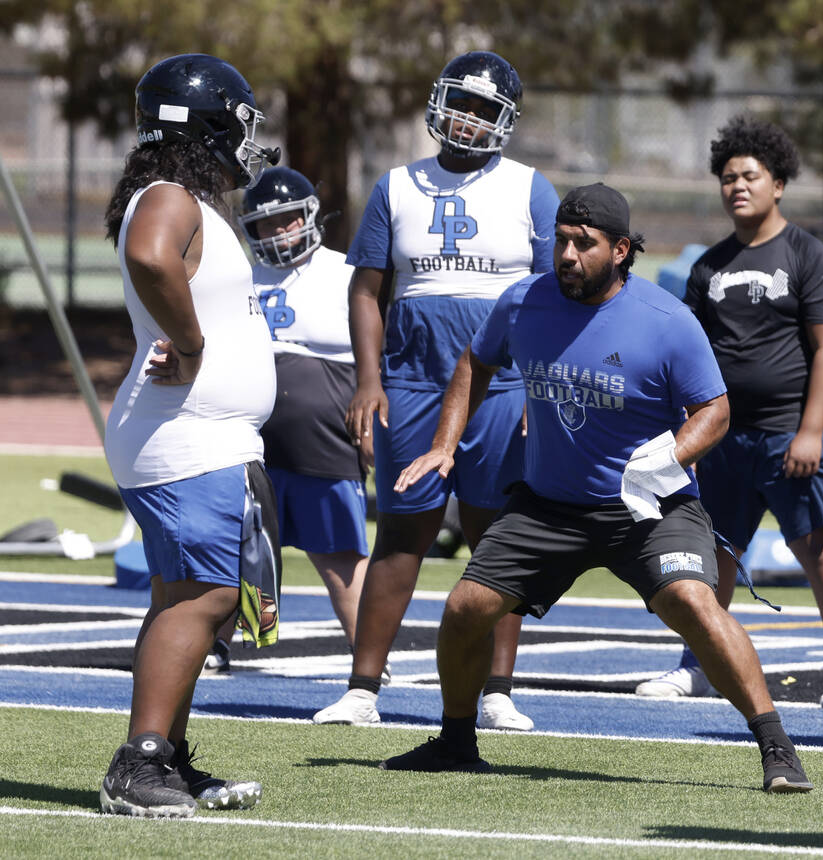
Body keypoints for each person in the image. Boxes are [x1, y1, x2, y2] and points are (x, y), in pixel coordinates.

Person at [380, 183, 814, 794]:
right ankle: (456, 740)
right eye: (560, 240)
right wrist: (443, 444)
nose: (567, 254)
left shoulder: (666, 320)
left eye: (584, 244)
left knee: (693, 600)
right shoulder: (523, 302)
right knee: (463, 610)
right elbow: (475, 363)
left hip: (648, 505)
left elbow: (714, 413)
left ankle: (777, 747)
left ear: (622, 250)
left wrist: (664, 460)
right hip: (548, 507)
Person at [313, 51, 558, 731]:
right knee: (401, 532)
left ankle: (499, 691)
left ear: (505, 120)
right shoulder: (396, 186)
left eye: (484, 110)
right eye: (460, 102)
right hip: (413, 379)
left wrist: (539, 390)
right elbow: (366, 289)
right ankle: (364, 687)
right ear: (437, 100)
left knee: (499, 537)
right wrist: (368, 380)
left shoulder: (531, 188)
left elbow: (552, 297)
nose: (468, 119)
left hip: (503, 382)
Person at [99, 53, 280, 818]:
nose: (247, 140)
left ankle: (165, 757)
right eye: (238, 123)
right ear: (209, 124)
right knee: (206, 595)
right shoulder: (170, 195)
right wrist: (195, 342)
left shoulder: (179, 195)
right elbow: (149, 256)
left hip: (200, 433)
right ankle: (138, 765)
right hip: (186, 434)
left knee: (185, 594)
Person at [637, 115, 823, 708]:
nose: (737, 186)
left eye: (750, 176)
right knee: (714, 551)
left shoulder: (808, 256)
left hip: (790, 434)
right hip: (723, 440)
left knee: (819, 547)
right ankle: (697, 664)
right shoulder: (708, 266)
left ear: (778, 184)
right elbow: (681, 348)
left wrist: (813, 430)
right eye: (728, 178)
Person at [194, 167, 367, 671]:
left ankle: (371, 659)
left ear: (310, 217)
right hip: (250, 439)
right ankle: (220, 644)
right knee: (237, 550)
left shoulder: (346, 271)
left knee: (339, 561)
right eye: (267, 224)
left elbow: (378, 357)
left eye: (288, 220)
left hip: (325, 440)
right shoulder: (239, 277)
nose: (279, 232)